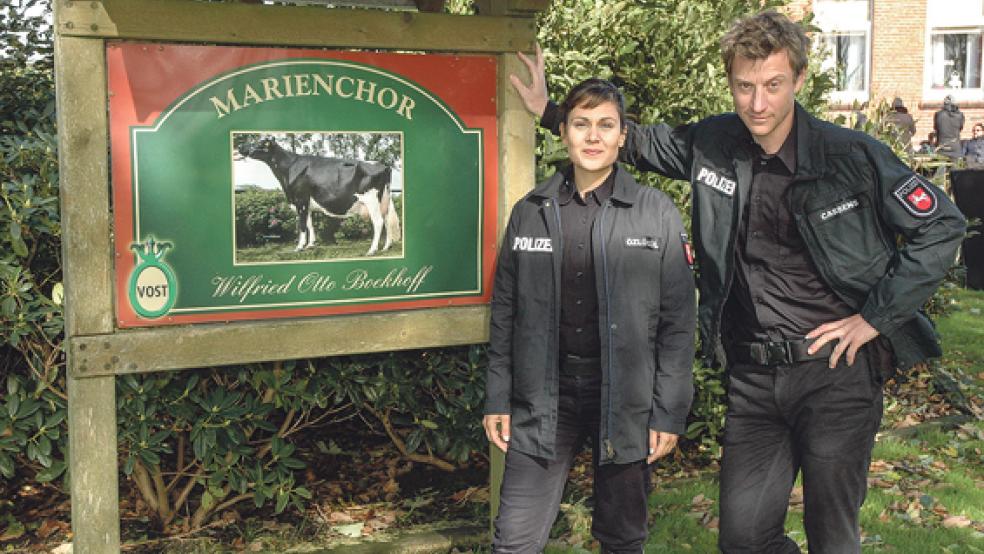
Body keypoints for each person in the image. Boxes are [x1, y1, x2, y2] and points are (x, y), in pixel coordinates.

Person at [510, 10, 966, 554]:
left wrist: (874, 319)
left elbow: (941, 225)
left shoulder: (852, 156)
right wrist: (551, 111)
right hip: (754, 377)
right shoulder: (714, 145)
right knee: (744, 539)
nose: (757, 103)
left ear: (797, 80)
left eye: (773, 86)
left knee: (832, 536)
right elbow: (628, 141)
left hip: (838, 376)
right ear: (730, 82)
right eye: (744, 87)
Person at [484, 78, 696, 553]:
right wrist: (498, 397)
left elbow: (679, 325)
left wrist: (669, 410)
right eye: (581, 124)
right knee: (512, 541)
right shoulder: (531, 212)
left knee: (622, 540)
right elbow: (505, 314)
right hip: (543, 401)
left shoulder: (655, 212)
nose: (593, 136)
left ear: (623, 135)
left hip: (624, 402)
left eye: (606, 125)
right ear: (563, 131)